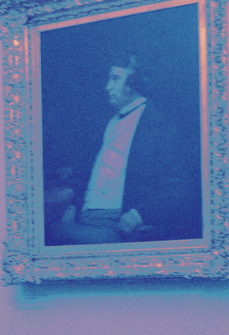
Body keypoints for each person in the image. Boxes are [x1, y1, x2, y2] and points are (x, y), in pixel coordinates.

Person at [46, 52, 200, 245]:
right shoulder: (107, 122)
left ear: (134, 82)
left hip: (117, 224)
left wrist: (138, 215)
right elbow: (94, 172)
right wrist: (73, 207)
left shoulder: (159, 124)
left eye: (116, 79)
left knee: (50, 233)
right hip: (84, 218)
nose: (107, 86)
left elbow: (179, 186)